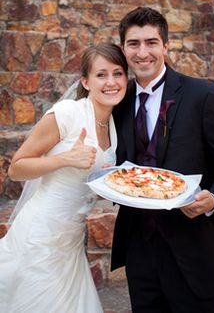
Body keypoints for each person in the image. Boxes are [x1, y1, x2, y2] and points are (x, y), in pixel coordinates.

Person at [111, 7, 214, 313]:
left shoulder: (202, 96)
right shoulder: (118, 100)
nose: (143, 53)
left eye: (151, 42)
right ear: (124, 49)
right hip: (140, 251)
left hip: (196, 255)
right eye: (134, 43)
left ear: (166, 46)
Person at [0, 43, 128, 313]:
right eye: (101, 75)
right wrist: (64, 159)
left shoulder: (114, 123)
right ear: (86, 81)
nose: (111, 82)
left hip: (70, 242)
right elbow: (16, 168)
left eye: (118, 73)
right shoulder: (68, 112)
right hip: (40, 237)